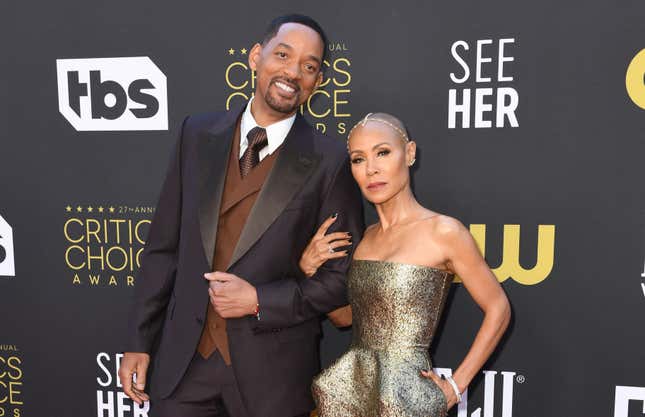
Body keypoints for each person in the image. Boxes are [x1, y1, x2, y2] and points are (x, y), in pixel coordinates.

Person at [117, 15, 364, 417]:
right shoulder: (195, 135)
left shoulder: (330, 160)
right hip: (185, 367)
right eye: (283, 55)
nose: (293, 73)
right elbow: (163, 250)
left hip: (275, 376)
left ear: (318, 81)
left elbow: (339, 282)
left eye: (309, 66)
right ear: (255, 57)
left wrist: (258, 300)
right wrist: (138, 342)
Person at [299, 113, 511, 416]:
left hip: (406, 399)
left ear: (409, 153)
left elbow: (498, 308)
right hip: (350, 392)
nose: (371, 169)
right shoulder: (364, 239)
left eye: (383, 153)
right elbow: (346, 320)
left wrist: (455, 386)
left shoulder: (444, 232)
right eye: (358, 160)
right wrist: (311, 274)